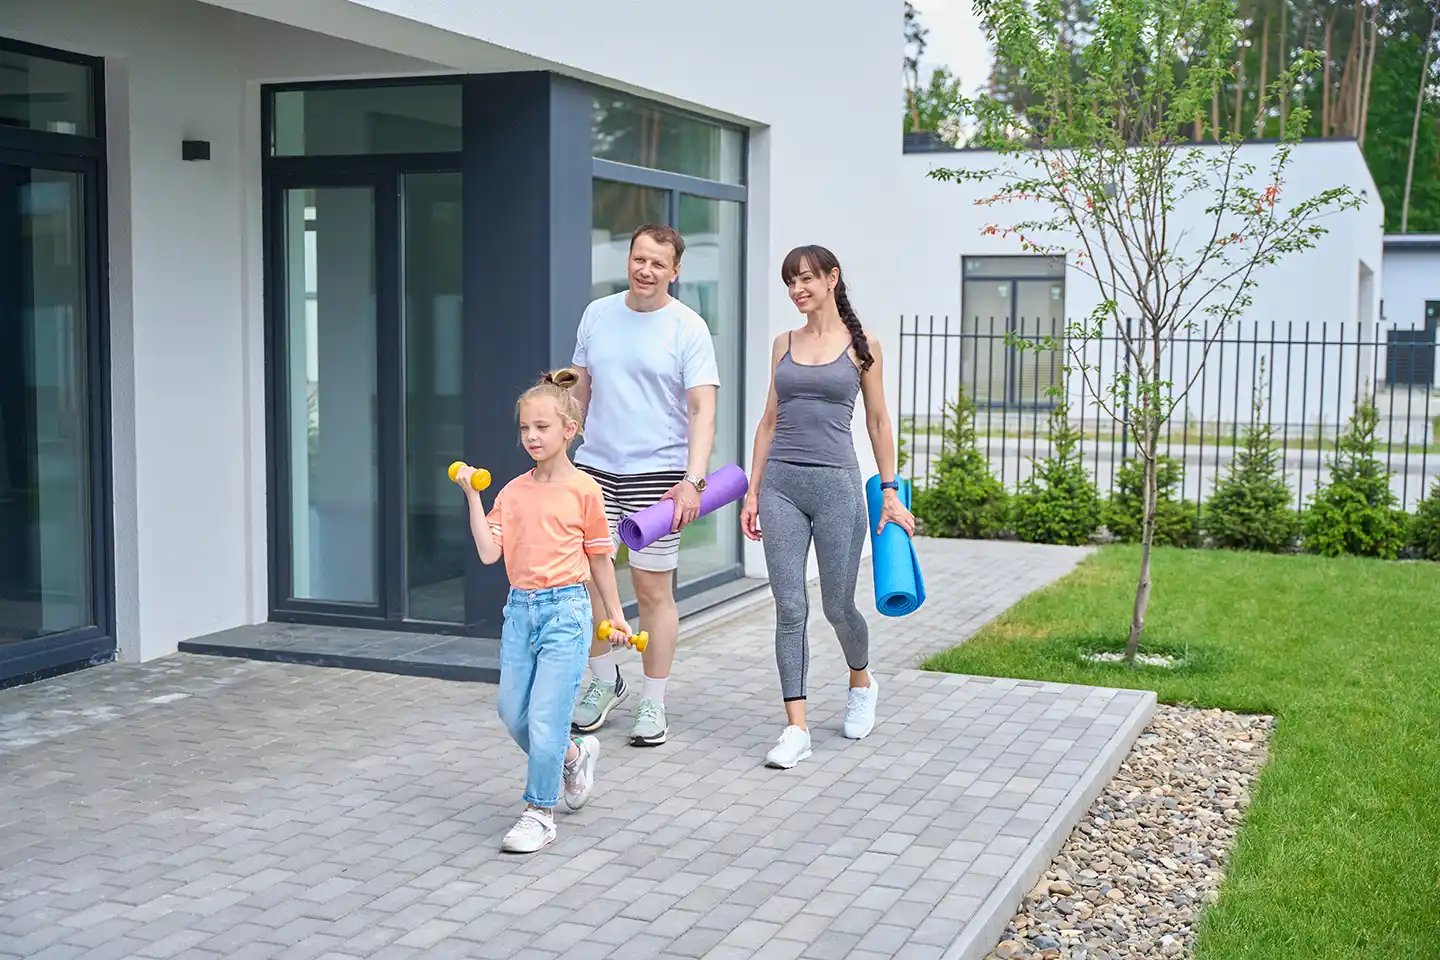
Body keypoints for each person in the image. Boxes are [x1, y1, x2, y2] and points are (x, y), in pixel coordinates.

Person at [740, 244, 915, 769]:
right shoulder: (782, 344)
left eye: (806, 279)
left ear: (832, 278)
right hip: (781, 488)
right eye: (790, 282)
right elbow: (768, 420)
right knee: (790, 607)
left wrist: (889, 489)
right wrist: (752, 490)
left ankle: (861, 680)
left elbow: (879, 422)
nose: (797, 290)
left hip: (837, 486)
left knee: (839, 606)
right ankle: (796, 728)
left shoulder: (864, 347)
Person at [452, 368, 635, 853]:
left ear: (568, 431)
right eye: (524, 428)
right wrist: (474, 497)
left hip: (566, 613)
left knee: (547, 718)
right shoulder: (511, 492)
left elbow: (600, 557)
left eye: (542, 427)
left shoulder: (584, 491)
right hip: (520, 612)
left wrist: (615, 614)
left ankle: (539, 811)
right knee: (514, 713)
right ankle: (573, 755)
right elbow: (490, 553)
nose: (532, 436)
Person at [569, 224, 720, 747]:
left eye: (658, 263)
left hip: (658, 477)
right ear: (629, 260)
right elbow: (579, 390)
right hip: (593, 471)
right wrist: (556, 451)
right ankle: (604, 680)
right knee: (583, 580)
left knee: (652, 591)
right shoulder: (598, 314)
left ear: (675, 271)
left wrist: (692, 481)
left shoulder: (688, 327)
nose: (646, 269)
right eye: (639, 258)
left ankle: (653, 703)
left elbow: (703, 410)